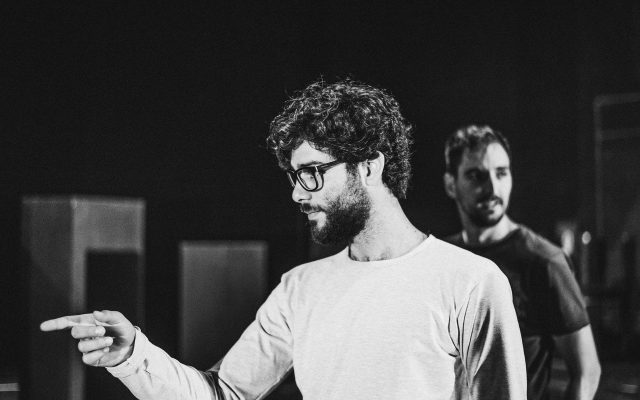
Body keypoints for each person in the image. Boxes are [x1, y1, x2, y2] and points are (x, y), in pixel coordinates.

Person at [41, 80, 527, 399]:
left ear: (370, 166)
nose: (297, 193)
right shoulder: (301, 289)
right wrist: (134, 356)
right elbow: (223, 393)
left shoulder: (470, 283)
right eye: (295, 177)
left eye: (313, 172)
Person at [442, 125, 601, 400]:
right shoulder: (445, 258)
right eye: (476, 175)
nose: (492, 188)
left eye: (501, 173)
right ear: (450, 185)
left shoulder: (544, 261)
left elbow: (587, 372)